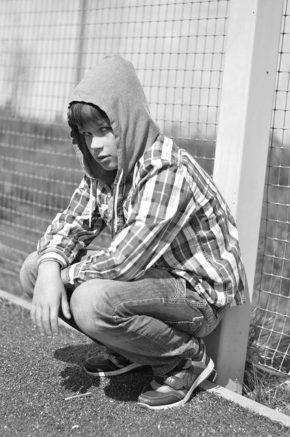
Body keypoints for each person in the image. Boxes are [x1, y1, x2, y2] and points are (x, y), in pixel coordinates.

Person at [20, 54, 246, 410]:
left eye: (104, 130)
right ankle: (131, 349)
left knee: (88, 301)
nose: (95, 145)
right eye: (86, 134)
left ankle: (185, 360)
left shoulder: (164, 169)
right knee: (34, 269)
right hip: (150, 281)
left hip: (195, 296)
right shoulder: (103, 170)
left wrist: (62, 275)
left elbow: (124, 262)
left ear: (127, 120)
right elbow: (71, 222)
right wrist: (49, 267)